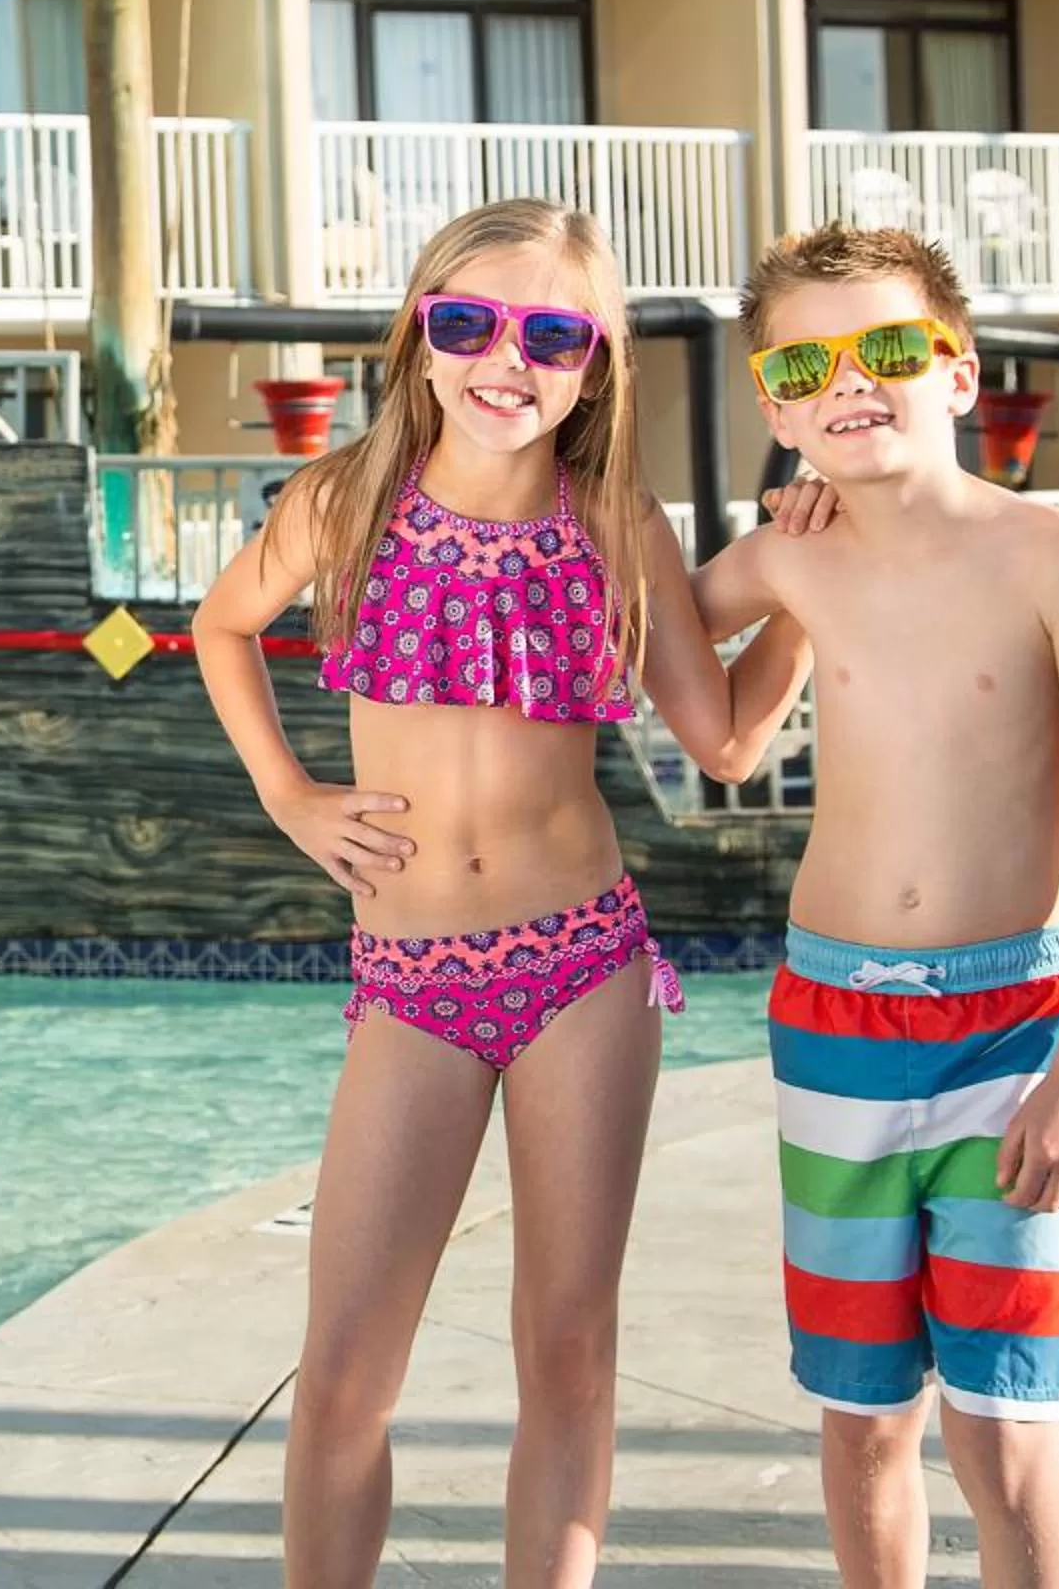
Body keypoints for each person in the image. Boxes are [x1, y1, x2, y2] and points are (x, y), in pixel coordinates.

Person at [191, 199, 813, 1589]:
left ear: (597, 368)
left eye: (552, 334)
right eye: (467, 321)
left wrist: (812, 596)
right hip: (409, 984)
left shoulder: (611, 522)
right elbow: (222, 626)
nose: (505, 359)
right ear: (418, 335)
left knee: (570, 1348)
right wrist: (290, 795)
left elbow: (722, 742)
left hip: (583, 972)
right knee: (346, 1371)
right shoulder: (344, 500)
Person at [691, 224, 1059, 1589]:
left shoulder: (1053, 556)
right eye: (808, 363)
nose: (854, 380)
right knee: (862, 1425)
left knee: (1005, 1434)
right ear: (777, 406)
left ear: (956, 370)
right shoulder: (793, 557)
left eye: (891, 347)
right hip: (830, 1024)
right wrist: (778, 574)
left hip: (1011, 1033)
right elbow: (708, 724)